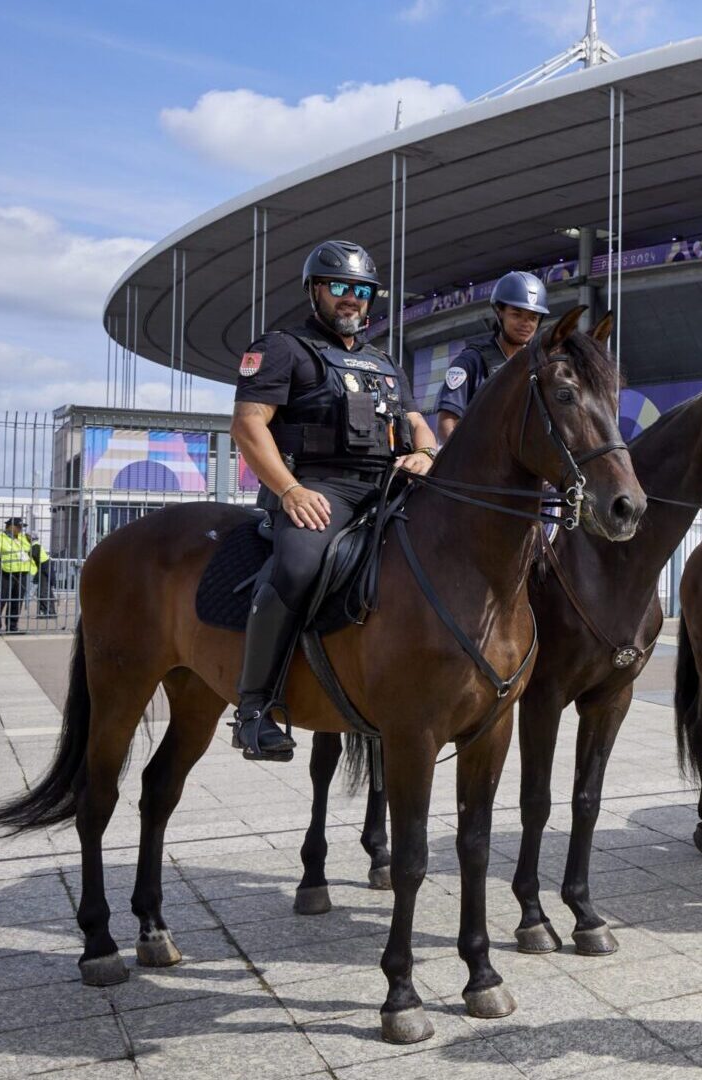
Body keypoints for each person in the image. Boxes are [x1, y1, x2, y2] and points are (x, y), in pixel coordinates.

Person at [230, 239, 439, 762]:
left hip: (385, 486)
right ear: (315, 291)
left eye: (363, 291)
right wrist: (290, 491)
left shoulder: (384, 359)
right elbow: (248, 425)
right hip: (317, 490)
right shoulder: (282, 347)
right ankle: (254, 709)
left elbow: (414, 422)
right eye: (341, 288)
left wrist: (428, 454)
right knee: (298, 566)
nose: (353, 300)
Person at [434, 270, 549, 442]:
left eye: (532, 318)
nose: (525, 324)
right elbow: (447, 423)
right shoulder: (471, 362)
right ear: (499, 312)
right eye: (517, 314)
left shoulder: (541, 365)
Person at [0, 518, 38, 634]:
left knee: (16, 601)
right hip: (4, 573)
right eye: (18, 526)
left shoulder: (23, 538)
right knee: (0, 600)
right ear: (9, 526)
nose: (20, 529)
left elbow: (29, 551)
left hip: (21, 573)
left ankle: (12, 627)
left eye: (21, 527)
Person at [30, 541, 53, 619]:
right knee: (44, 592)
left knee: (43, 593)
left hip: (44, 572)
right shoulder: (36, 546)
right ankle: (46, 612)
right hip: (44, 571)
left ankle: (49, 612)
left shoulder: (35, 547)